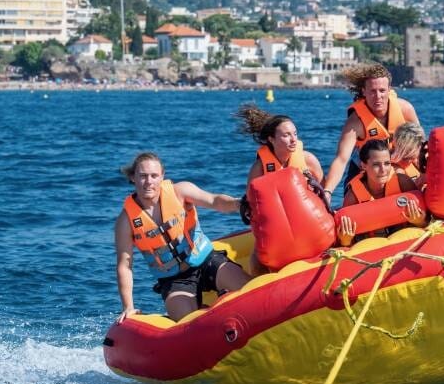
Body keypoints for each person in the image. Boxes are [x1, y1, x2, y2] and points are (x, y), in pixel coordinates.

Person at [115, 152, 250, 323]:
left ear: (162, 176)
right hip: (175, 280)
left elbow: (214, 200)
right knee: (190, 324)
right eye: (142, 176)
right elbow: (124, 266)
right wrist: (128, 306)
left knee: (250, 291)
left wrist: (239, 204)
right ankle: (212, 312)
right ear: (133, 177)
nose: (148, 181)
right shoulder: (126, 221)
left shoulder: (181, 191)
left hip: (207, 262)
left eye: (154, 176)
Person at [235, 104, 326, 276]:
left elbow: (323, 190)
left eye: (295, 134)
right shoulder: (260, 168)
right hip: (278, 225)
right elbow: (252, 203)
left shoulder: (308, 160)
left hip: (309, 220)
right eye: (286, 135)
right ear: (271, 139)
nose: (293, 140)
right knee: (257, 258)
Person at [322, 63, 419, 201]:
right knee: (353, 197)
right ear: (364, 91)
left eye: (382, 90)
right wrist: (328, 191)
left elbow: (420, 143)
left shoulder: (406, 109)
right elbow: (341, 159)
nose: (378, 96)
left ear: (389, 90)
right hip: (367, 168)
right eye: (373, 91)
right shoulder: (355, 122)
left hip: (399, 161)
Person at [337, 140, 427, 246]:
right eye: (376, 165)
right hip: (372, 249)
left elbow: (426, 223)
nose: (383, 170)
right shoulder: (353, 197)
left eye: (387, 163)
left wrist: (419, 222)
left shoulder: (403, 182)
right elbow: (344, 245)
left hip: (405, 243)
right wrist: (345, 240)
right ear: (364, 166)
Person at [390, 121, 426, 188]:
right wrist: (421, 181)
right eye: (405, 158)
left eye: (412, 157)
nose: (409, 161)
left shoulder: (422, 158)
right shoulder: (394, 171)